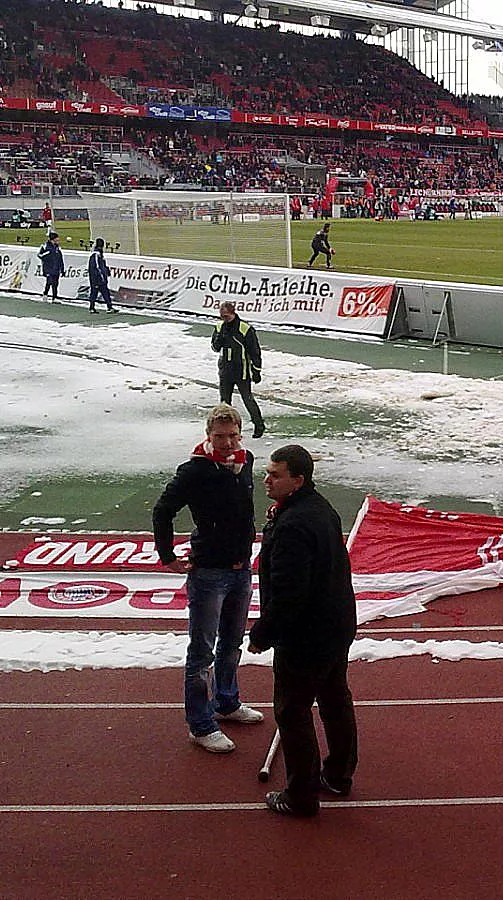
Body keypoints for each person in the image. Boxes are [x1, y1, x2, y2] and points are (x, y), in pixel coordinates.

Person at [248, 444, 358, 817]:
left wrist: (264, 633)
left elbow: (288, 592)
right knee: (334, 700)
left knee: (293, 712)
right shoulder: (319, 509)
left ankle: (301, 797)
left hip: (306, 635)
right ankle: (339, 776)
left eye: (275, 475)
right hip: (336, 625)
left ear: (298, 480)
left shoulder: (294, 525)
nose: (266, 479)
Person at [153, 404, 264, 754]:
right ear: (208, 436)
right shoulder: (194, 471)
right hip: (209, 573)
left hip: (241, 568)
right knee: (202, 652)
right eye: (220, 437)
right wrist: (168, 556)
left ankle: (227, 703)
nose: (227, 443)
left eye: (233, 435)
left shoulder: (245, 462)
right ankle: (200, 725)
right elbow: (162, 511)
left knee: (232, 643)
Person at [212, 301, 265, 439]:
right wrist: (219, 339)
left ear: (233, 313)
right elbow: (214, 348)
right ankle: (226, 429)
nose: (224, 319)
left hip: (241, 371)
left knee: (247, 399)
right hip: (225, 370)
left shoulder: (245, 329)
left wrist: (256, 370)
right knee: (224, 403)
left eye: (227, 317)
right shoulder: (219, 327)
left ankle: (259, 425)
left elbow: (255, 351)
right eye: (222, 316)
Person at [87, 237, 114, 313]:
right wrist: (100, 277)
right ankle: (92, 307)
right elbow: (96, 267)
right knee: (96, 292)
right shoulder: (96, 255)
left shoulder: (100, 255)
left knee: (104, 292)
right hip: (97, 278)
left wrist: (106, 271)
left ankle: (109, 307)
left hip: (100, 277)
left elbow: (102, 266)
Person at [38, 231, 63, 302]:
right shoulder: (45, 246)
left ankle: (54, 297)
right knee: (49, 282)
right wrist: (47, 255)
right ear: (53, 239)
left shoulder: (57, 248)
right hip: (48, 268)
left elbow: (60, 258)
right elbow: (40, 255)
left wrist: (62, 268)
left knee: (55, 283)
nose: (58, 240)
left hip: (56, 268)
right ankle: (45, 294)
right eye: (57, 238)